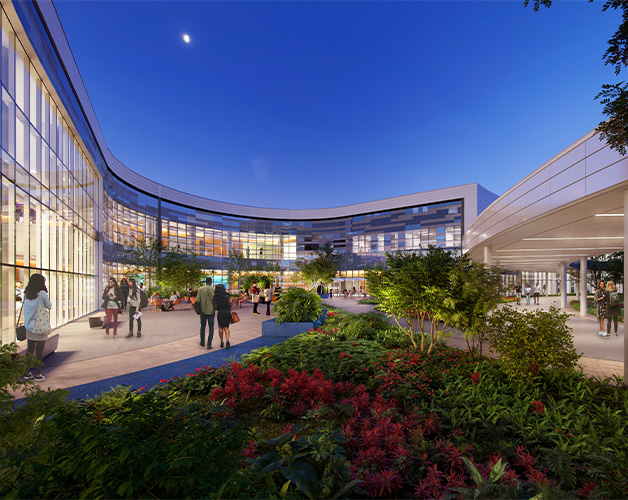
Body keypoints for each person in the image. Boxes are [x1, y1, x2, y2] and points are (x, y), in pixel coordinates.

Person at [22, 273, 52, 382]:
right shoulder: (42, 294)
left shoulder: (26, 294)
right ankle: (38, 375)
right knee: (39, 352)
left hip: (29, 327)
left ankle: (27, 373)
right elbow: (49, 305)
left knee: (29, 350)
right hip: (39, 326)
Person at [197, 277, 215, 348]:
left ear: (205, 282)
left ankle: (202, 342)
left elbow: (197, 300)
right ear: (211, 282)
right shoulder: (213, 289)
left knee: (202, 326)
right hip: (211, 310)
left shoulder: (201, 289)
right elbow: (215, 300)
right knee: (211, 327)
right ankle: (209, 344)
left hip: (203, 310)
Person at [213, 283, 232, 349]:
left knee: (220, 327)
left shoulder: (216, 297)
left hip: (220, 312)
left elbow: (215, 307)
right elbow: (230, 305)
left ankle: (221, 341)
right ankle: (227, 340)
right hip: (227, 312)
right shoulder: (227, 296)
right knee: (226, 327)